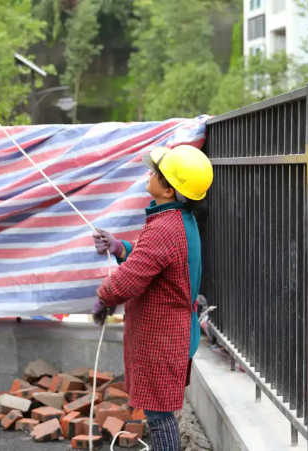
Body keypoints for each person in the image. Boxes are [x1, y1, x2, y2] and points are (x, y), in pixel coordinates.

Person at [90, 144, 213, 451]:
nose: (149, 174)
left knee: (160, 416)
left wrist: (104, 297)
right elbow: (152, 263)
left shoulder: (165, 228)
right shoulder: (176, 219)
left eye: (155, 172)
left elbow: (130, 280)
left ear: (169, 189)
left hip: (162, 335)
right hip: (168, 332)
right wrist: (120, 248)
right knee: (160, 412)